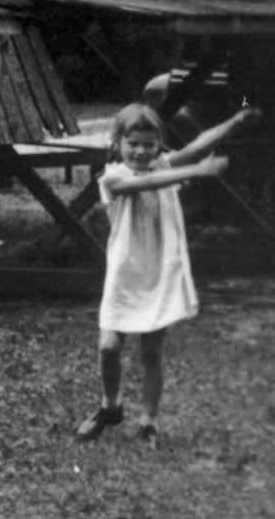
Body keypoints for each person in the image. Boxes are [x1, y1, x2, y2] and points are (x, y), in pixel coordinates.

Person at [76, 98, 257, 443]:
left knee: (152, 351)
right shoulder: (112, 178)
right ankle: (110, 406)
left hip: (160, 273)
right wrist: (196, 172)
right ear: (117, 143)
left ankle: (149, 420)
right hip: (125, 275)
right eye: (133, 143)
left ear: (159, 145)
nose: (141, 151)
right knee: (109, 347)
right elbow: (147, 184)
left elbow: (196, 146)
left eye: (149, 144)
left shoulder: (161, 165)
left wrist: (234, 121)